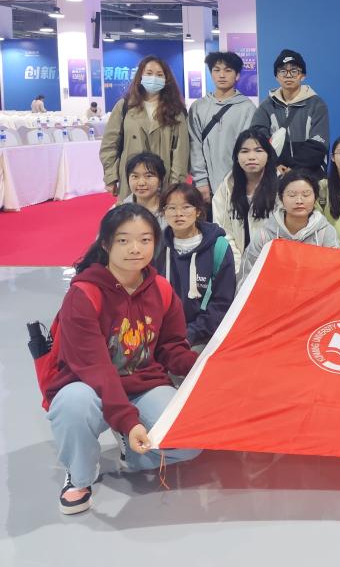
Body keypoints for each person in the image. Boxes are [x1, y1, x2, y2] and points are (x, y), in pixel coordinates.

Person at [44, 204, 201, 515]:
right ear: (106, 244)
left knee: (190, 441)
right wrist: (129, 421)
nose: (135, 249)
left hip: (143, 383)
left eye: (145, 240)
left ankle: (133, 451)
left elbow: (170, 346)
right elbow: (96, 368)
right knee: (73, 406)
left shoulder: (161, 288)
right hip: (88, 385)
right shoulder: (84, 295)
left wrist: (203, 364)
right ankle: (79, 474)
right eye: (123, 240)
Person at [158, 183, 237, 347]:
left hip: (204, 338)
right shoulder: (156, 248)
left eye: (186, 207)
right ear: (163, 212)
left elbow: (222, 303)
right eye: (171, 208)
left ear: (198, 211)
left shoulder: (219, 247)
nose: (178, 214)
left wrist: (190, 335)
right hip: (162, 336)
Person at [100, 56, 189, 199]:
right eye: (149, 73)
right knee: (131, 212)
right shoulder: (124, 106)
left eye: (159, 75)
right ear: (140, 76)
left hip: (163, 180)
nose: (154, 78)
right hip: (131, 178)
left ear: (166, 79)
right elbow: (109, 144)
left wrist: (175, 184)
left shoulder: (176, 111)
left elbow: (181, 151)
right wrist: (111, 176)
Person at [240, 169, 339, 279]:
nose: (299, 201)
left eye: (306, 195)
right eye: (292, 195)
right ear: (281, 198)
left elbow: (333, 273)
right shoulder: (265, 235)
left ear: (315, 198)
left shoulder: (326, 232)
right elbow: (247, 274)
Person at [187, 51, 257, 203]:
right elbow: (194, 145)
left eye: (228, 70)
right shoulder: (198, 107)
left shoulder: (247, 108)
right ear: (211, 74)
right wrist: (201, 181)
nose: (222, 75)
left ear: (237, 75)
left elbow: (247, 148)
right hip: (205, 186)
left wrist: (241, 181)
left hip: (238, 184)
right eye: (216, 70)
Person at [250, 49, 329, 178]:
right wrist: (274, 164)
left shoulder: (317, 105)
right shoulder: (266, 106)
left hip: (310, 176)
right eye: (282, 71)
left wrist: (293, 167)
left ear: (303, 75)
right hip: (276, 174)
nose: (288, 75)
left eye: (294, 71)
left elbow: (318, 145)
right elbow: (258, 139)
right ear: (276, 76)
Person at [212, 129, 279, 261]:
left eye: (258, 150)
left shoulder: (281, 187)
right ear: (237, 157)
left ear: (268, 155)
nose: (251, 157)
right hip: (236, 263)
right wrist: (238, 266)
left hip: (272, 262)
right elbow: (222, 231)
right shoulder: (226, 188)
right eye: (244, 151)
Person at [116, 152, 166, 225]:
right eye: (135, 176)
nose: (141, 183)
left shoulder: (170, 210)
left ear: (161, 180)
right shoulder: (119, 212)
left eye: (148, 176)